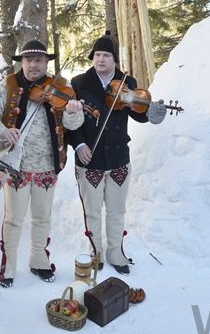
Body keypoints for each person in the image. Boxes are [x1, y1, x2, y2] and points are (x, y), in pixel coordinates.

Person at [0, 40, 84, 288]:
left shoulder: (61, 87)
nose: (33, 65)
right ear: (22, 63)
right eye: (28, 60)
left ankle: (39, 261)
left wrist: (72, 111)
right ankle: (8, 267)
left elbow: (73, 126)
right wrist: (4, 131)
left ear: (46, 62)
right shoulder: (9, 85)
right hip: (16, 165)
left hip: (47, 165)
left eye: (38, 60)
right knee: (13, 219)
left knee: (42, 218)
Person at [67, 31, 167, 275]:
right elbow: (69, 120)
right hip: (89, 159)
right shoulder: (79, 83)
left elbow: (136, 114)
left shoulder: (127, 83)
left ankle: (115, 251)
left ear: (114, 59)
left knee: (116, 210)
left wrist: (149, 112)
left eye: (106, 55)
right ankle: (96, 250)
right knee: (92, 210)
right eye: (97, 55)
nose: (100, 59)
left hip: (119, 158)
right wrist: (79, 146)